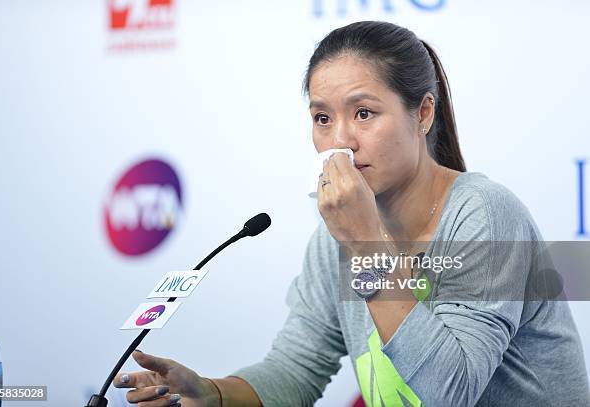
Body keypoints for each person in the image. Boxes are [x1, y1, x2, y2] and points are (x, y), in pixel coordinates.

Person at [113, 20, 590, 406]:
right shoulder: (333, 238)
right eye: (322, 118)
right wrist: (213, 393)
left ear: (422, 114)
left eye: (363, 113)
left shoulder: (483, 212)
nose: (339, 140)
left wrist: (366, 244)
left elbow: (448, 394)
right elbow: (295, 369)